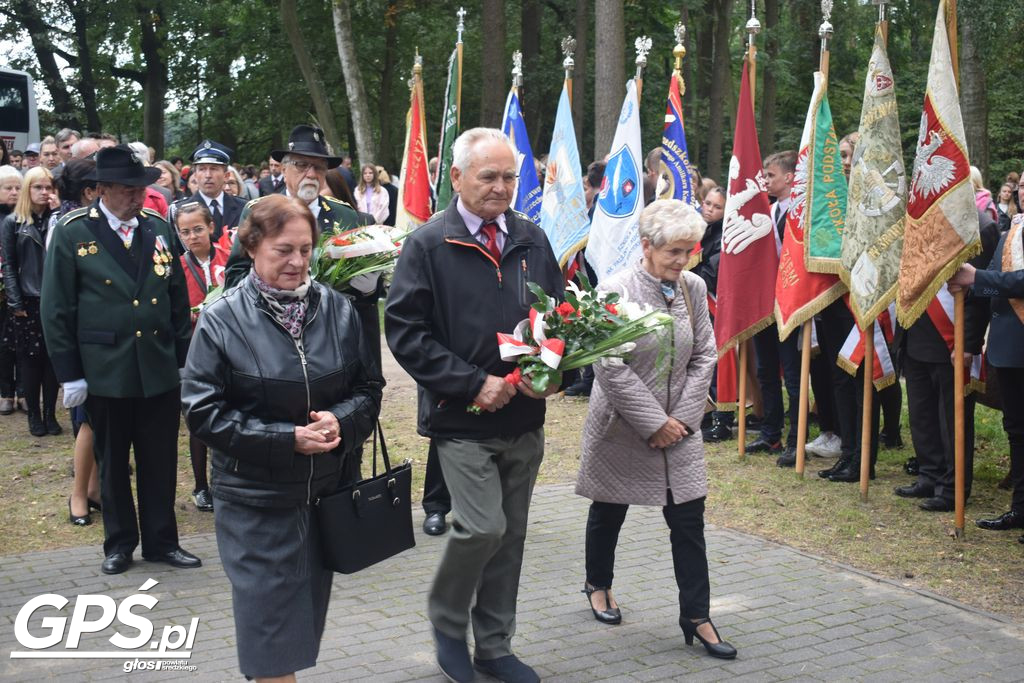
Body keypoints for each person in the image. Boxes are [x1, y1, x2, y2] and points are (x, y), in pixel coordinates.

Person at [385, 127, 566, 683]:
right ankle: (447, 621)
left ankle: (493, 645)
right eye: (489, 176)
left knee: (510, 535)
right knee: (482, 528)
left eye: (510, 176)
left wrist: (555, 374)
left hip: (523, 416)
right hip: (462, 418)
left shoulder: (533, 239)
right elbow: (406, 332)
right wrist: (471, 383)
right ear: (457, 177)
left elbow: (563, 320)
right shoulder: (428, 244)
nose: (501, 187)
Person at [182, 194, 382, 680]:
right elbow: (202, 411)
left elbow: (368, 389)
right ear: (252, 247)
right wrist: (284, 438)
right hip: (255, 501)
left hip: (324, 496)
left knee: (301, 626)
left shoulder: (338, 309)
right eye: (282, 250)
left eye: (305, 249)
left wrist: (340, 420)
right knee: (272, 632)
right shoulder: (221, 318)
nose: (297, 262)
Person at [576, 199, 736, 660]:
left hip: (680, 432)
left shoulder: (693, 288)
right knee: (609, 511)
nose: (684, 260)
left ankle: (697, 616)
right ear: (647, 246)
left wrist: (681, 421)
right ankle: (598, 584)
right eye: (675, 252)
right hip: (622, 427)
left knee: (688, 522)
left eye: (691, 251)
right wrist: (654, 422)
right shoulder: (614, 290)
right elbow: (609, 366)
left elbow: (706, 353)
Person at [41, 144, 200, 575]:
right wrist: (70, 374)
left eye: (140, 189)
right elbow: (57, 310)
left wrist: (183, 361)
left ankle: (163, 541)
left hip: (156, 366)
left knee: (160, 459)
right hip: (105, 368)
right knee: (112, 464)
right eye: (128, 190)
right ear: (102, 190)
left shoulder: (156, 228)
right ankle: (119, 543)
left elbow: (175, 299)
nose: (137, 197)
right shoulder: (74, 232)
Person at [892, 208, 999, 511]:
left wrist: (969, 342)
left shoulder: (978, 224)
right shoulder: (917, 217)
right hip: (916, 333)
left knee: (951, 418)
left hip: (951, 338)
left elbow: (979, 292)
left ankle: (953, 487)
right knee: (922, 413)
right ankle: (929, 474)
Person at [949, 215, 1024, 543]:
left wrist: (976, 277)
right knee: (1017, 431)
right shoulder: (1011, 235)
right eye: (1022, 183)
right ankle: (1019, 510)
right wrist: (971, 284)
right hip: (1008, 345)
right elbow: (995, 281)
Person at [49, 159, 103, 526]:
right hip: (83, 340)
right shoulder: (66, 226)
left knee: (101, 423)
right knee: (87, 424)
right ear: (89, 192)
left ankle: (96, 488)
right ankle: (78, 494)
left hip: (106, 342)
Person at [748, 151, 802, 461]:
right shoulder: (767, 212)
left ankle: (796, 438)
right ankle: (771, 434)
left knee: (792, 374)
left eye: (770, 175)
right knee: (766, 369)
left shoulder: (800, 212)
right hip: (765, 302)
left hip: (791, 302)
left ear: (789, 177)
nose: (765, 180)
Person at [175, 202, 229, 513]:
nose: (193, 236)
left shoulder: (227, 258)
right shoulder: (176, 266)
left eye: (198, 229)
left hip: (229, 348)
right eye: (185, 232)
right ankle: (200, 486)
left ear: (210, 227)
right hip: (195, 351)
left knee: (229, 412)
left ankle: (223, 479)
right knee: (198, 418)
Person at [1, 167, 59, 437]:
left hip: (54, 299)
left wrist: (58, 214)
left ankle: (50, 413)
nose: (44, 192)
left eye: (48, 187)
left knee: (51, 359)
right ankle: (34, 414)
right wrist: (15, 301)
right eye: (39, 187)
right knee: (29, 360)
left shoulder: (57, 220)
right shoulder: (13, 222)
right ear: (28, 189)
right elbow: (10, 266)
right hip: (27, 298)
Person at [694, 186, 735, 443]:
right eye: (707, 203)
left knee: (718, 362)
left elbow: (711, 272)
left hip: (715, 302)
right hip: (697, 300)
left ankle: (723, 419)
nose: (709, 209)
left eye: (717, 206)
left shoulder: (724, 233)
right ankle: (705, 413)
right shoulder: (698, 229)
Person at [168, 140, 246, 242]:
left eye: (214, 169)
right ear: (195, 175)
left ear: (226, 176)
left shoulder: (244, 207)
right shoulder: (178, 210)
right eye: (202, 169)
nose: (208, 175)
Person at [0, 165, 22, 414]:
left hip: (19, 286)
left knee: (21, 343)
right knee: (3, 343)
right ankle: (6, 391)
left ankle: (24, 391)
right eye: (8, 188)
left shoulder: (22, 217)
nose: (14, 192)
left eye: (18, 188)